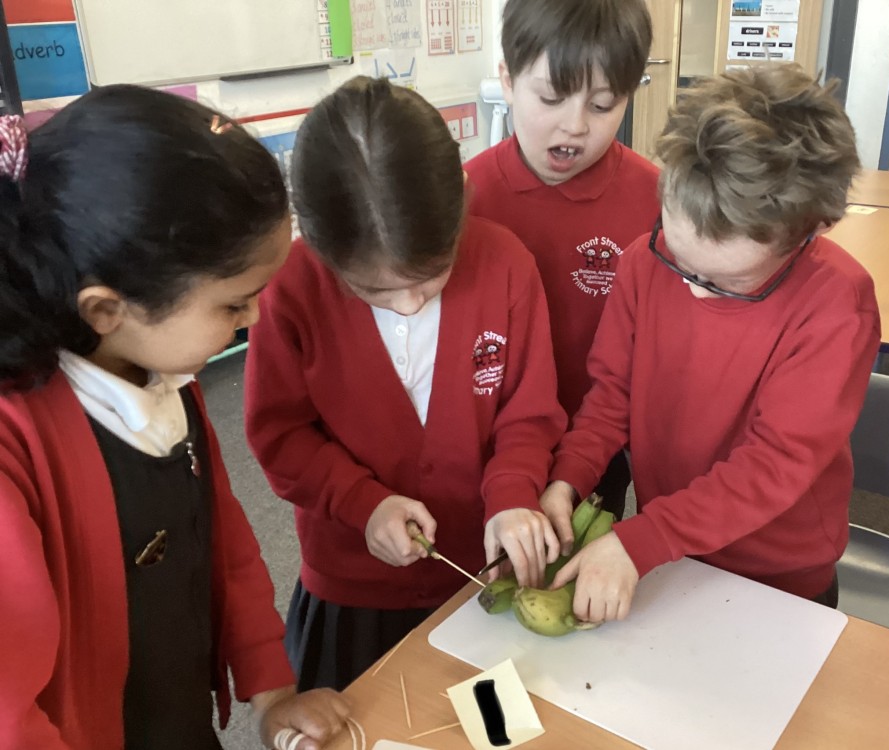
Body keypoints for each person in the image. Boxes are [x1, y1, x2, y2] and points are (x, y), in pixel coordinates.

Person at [0, 86, 349, 750]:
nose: (254, 318)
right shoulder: (17, 444)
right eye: (234, 304)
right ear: (106, 310)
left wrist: (273, 692)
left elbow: (224, 541)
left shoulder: (162, 373)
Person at [244, 76, 567, 691]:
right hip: (352, 590)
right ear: (317, 245)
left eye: (432, 274)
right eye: (373, 290)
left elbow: (527, 416)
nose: (410, 304)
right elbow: (280, 434)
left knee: (484, 724)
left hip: (476, 578)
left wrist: (513, 494)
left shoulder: (505, 265)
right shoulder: (291, 289)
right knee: (357, 723)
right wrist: (362, 503)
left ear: (462, 198)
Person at [541, 64, 882, 624]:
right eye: (678, 257)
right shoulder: (642, 263)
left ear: (812, 229)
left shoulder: (837, 303)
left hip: (779, 577)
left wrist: (644, 539)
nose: (693, 289)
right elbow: (611, 396)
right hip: (675, 558)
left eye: (726, 282)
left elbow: (775, 463)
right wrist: (567, 479)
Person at [465, 0, 660, 520]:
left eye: (602, 105)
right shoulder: (462, 197)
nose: (574, 126)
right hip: (483, 445)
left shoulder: (656, 201)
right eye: (551, 97)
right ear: (507, 80)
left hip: (597, 445)